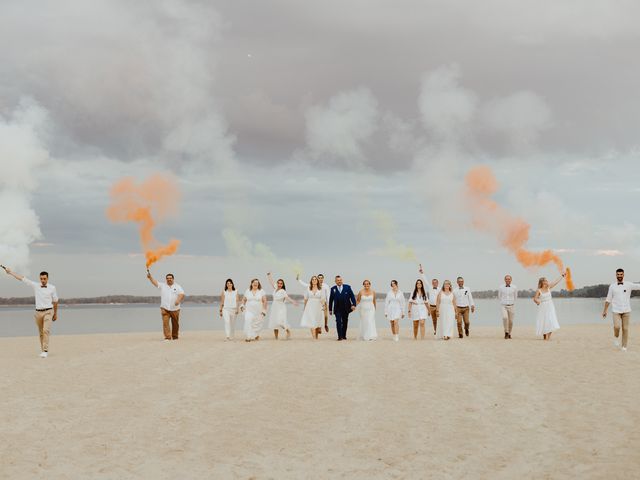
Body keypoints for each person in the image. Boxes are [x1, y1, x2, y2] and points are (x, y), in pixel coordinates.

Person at [4, 267, 59, 357]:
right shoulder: (35, 285)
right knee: (41, 332)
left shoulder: (52, 288)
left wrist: (56, 314)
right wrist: (10, 272)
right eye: (41, 279)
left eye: (44, 279)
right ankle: (43, 350)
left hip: (49, 311)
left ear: (47, 278)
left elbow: (56, 301)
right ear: (39, 278)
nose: (43, 280)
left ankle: (45, 350)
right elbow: (22, 278)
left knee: (46, 331)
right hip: (38, 313)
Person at [602, 268, 640, 351]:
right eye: (618, 274)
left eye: (621, 274)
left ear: (623, 275)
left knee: (625, 329)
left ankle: (624, 347)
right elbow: (608, 299)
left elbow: (638, 286)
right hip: (616, 311)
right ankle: (616, 337)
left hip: (626, 310)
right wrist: (604, 311)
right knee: (617, 327)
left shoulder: (628, 284)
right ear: (616, 275)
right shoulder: (612, 286)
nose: (619, 276)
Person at [147, 271, 185, 341]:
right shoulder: (162, 285)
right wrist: (150, 277)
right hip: (165, 308)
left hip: (175, 309)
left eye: (170, 278)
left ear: (173, 279)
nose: (169, 279)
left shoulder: (177, 286)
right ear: (166, 279)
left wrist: (178, 300)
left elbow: (182, 294)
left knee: (175, 324)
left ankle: (175, 336)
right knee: (165, 323)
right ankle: (167, 337)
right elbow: (155, 283)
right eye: (167, 278)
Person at [533, 272, 567, 340]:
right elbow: (535, 298)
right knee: (544, 321)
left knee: (551, 320)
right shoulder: (539, 290)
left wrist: (562, 276)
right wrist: (538, 302)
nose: (547, 281)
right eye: (545, 280)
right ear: (542, 282)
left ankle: (548, 336)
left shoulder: (549, 287)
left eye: (546, 280)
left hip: (550, 306)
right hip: (543, 307)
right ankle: (545, 335)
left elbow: (556, 281)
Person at [267, 272, 298, 340]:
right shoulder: (275, 289)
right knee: (275, 323)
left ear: (283, 285)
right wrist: (269, 275)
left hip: (281, 307)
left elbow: (287, 297)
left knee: (280, 322)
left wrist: (293, 302)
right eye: (278, 283)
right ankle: (276, 338)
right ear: (277, 283)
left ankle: (288, 331)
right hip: (274, 307)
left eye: (281, 283)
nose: (279, 284)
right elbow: (271, 282)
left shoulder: (283, 291)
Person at [329, 275, 357, 341]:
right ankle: (340, 337)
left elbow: (352, 297)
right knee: (338, 321)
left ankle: (344, 335)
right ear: (335, 281)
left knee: (345, 322)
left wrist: (353, 304)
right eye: (338, 280)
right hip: (337, 309)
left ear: (342, 280)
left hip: (346, 308)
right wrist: (330, 309)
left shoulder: (347, 287)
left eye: (340, 280)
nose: (339, 281)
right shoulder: (333, 289)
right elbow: (331, 300)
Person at [419, 264, 440, 335]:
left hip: (438, 307)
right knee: (434, 320)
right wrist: (422, 273)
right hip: (431, 307)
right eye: (433, 283)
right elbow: (425, 280)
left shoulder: (440, 289)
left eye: (435, 282)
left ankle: (440, 330)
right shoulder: (430, 287)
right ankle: (435, 330)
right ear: (432, 283)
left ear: (438, 283)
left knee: (439, 320)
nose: (434, 284)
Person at [498, 275, 518, 339]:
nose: (508, 280)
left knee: (511, 321)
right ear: (504, 280)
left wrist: (511, 302)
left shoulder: (514, 287)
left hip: (511, 306)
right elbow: (499, 296)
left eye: (509, 279)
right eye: (506, 279)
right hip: (503, 306)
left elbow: (515, 297)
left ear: (511, 280)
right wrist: (503, 302)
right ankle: (506, 332)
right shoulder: (501, 287)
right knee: (505, 318)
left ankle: (509, 333)